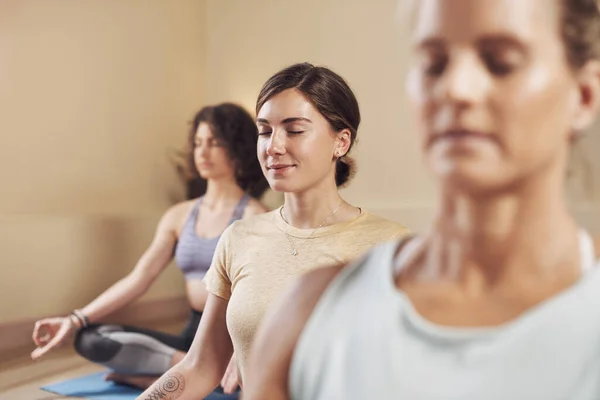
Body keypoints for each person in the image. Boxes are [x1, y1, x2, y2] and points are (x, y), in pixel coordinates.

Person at [243, 1, 600, 399]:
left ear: (584, 95)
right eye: (434, 64)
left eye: (500, 62)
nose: (454, 88)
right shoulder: (310, 313)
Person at [136, 62, 411, 400]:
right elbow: (202, 365)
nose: (273, 146)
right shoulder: (239, 238)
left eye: (294, 130)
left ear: (341, 141)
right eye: (265, 131)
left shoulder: (391, 246)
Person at [30, 103, 269, 396]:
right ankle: (197, 371)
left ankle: (202, 372)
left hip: (229, 337)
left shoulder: (254, 216)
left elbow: (261, 301)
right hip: (191, 334)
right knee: (90, 338)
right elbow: (139, 278)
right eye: (197, 143)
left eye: (215, 143)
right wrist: (74, 319)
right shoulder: (179, 215)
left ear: (238, 148)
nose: (203, 152)